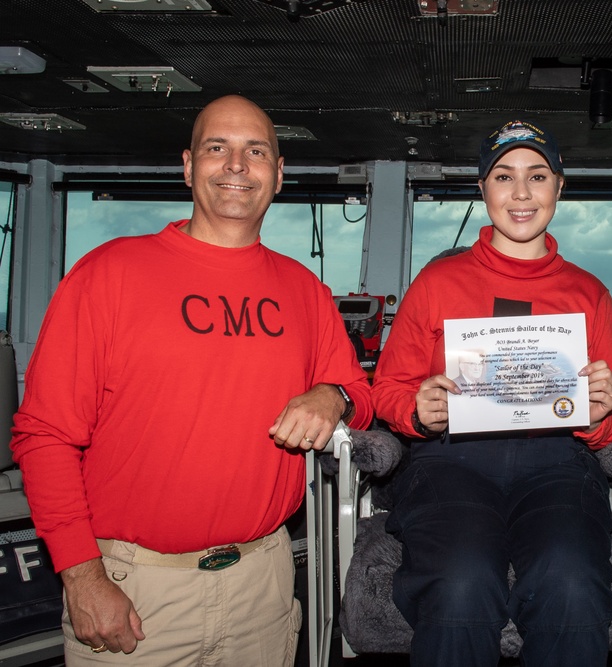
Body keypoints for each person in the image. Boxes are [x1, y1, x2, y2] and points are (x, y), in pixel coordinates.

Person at [10, 95, 373, 665]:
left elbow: (361, 394)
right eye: (217, 148)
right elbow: (44, 435)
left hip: (264, 583)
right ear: (187, 165)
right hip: (135, 589)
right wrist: (82, 578)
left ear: (278, 175)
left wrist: (334, 394)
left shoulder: (305, 290)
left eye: (255, 151)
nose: (236, 165)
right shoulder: (108, 275)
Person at [371, 119, 612, 667]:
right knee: (460, 579)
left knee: (571, 579)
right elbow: (388, 391)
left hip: (557, 461)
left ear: (559, 187)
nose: (521, 193)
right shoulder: (436, 284)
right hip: (451, 461)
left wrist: (599, 411)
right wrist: (417, 410)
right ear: (482, 189)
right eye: (503, 177)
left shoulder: (589, 293)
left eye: (537, 176)